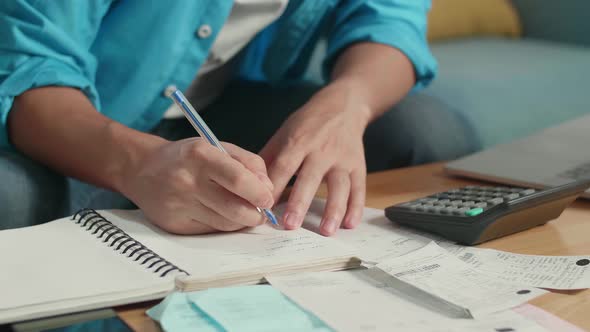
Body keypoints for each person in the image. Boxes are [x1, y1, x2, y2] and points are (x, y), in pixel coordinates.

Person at [0, 1, 478, 235]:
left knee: (426, 131)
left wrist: (349, 102)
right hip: (76, 116)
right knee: (10, 198)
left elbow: (390, 20)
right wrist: (140, 166)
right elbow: (32, 68)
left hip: (221, 101)